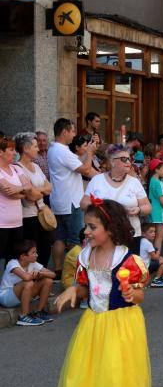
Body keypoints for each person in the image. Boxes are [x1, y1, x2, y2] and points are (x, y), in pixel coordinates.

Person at [53, 198, 154, 387]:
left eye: (92, 227)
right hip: (93, 323)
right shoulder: (85, 256)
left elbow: (140, 293)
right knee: (84, 377)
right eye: (86, 227)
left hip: (120, 324)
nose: (86, 232)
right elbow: (86, 286)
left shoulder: (127, 259)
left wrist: (132, 293)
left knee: (113, 379)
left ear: (110, 229)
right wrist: (74, 290)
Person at [49, 118, 98, 277]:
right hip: (71, 201)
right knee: (76, 239)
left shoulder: (53, 149)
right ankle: (77, 272)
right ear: (64, 132)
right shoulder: (62, 151)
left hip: (59, 200)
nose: (74, 135)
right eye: (72, 131)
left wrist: (89, 152)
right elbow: (85, 169)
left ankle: (58, 271)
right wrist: (90, 152)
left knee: (60, 238)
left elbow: (77, 165)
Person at [82, 145, 151, 240]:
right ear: (112, 161)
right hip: (103, 234)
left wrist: (138, 210)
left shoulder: (134, 182)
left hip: (130, 234)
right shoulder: (97, 180)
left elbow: (147, 207)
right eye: (124, 159)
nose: (128, 162)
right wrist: (102, 207)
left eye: (129, 159)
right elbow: (83, 204)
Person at [14, 132, 54, 269]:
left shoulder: (36, 166)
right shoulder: (17, 168)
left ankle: (41, 278)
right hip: (29, 217)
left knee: (46, 248)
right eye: (35, 146)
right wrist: (38, 191)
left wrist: (37, 190)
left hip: (42, 213)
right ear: (25, 148)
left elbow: (49, 187)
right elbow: (31, 196)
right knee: (32, 251)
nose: (38, 149)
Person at [0, 240, 55, 326]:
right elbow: (26, 277)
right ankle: (23, 316)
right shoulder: (12, 263)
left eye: (36, 252)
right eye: (33, 252)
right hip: (6, 298)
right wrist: (36, 275)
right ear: (23, 256)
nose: (36, 255)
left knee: (48, 281)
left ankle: (38, 312)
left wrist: (41, 274)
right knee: (28, 283)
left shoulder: (32, 263)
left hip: (20, 296)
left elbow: (53, 274)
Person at [0, 136, 29, 263]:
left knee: (12, 260)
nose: (15, 153)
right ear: (1, 152)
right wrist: (23, 191)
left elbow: (29, 187)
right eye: (11, 149)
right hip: (2, 223)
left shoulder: (16, 168)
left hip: (17, 223)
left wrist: (20, 191)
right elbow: (7, 191)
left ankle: (8, 284)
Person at [146, 158, 163, 252]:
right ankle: (157, 259)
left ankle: (153, 259)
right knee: (159, 239)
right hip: (162, 213)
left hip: (154, 212)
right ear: (156, 170)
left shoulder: (151, 181)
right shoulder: (159, 183)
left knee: (154, 237)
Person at [140, 223, 163, 288]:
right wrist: (157, 252)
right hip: (146, 267)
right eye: (151, 232)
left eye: (154, 231)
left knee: (161, 258)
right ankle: (156, 280)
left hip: (142, 265)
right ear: (143, 234)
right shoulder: (148, 243)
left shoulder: (142, 241)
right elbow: (155, 258)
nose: (153, 233)